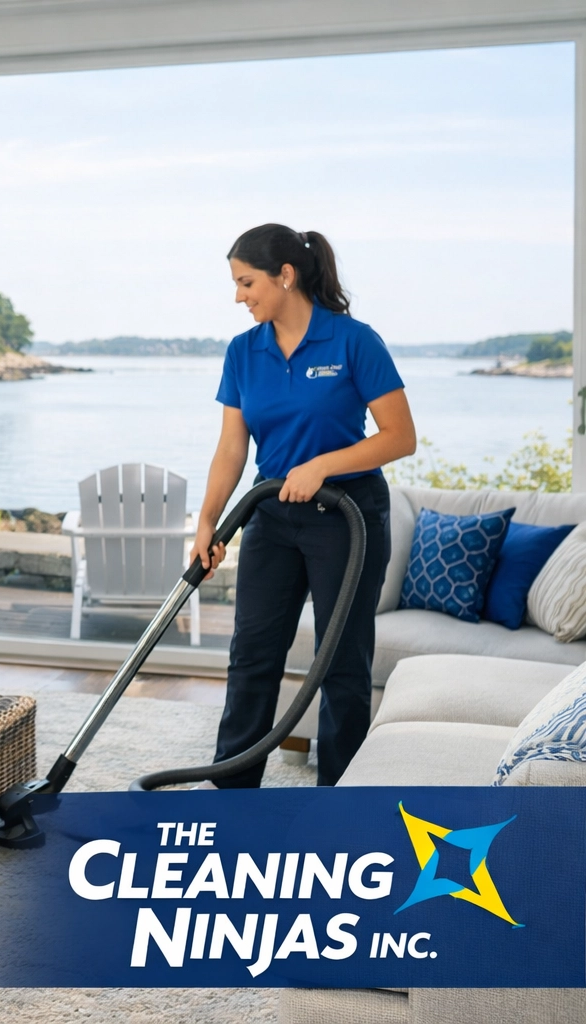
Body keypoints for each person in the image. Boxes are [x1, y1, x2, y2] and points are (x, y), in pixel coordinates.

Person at [193, 224, 416, 787]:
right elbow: (231, 448)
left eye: (246, 283)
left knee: (340, 664)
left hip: (346, 516)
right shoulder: (244, 351)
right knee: (252, 657)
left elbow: (399, 436)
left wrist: (323, 466)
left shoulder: (353, 341)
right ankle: (233, 796)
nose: (238, 296)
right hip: (272, 515)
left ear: (285, 276)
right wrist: (207, 523)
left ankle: (339, 804)